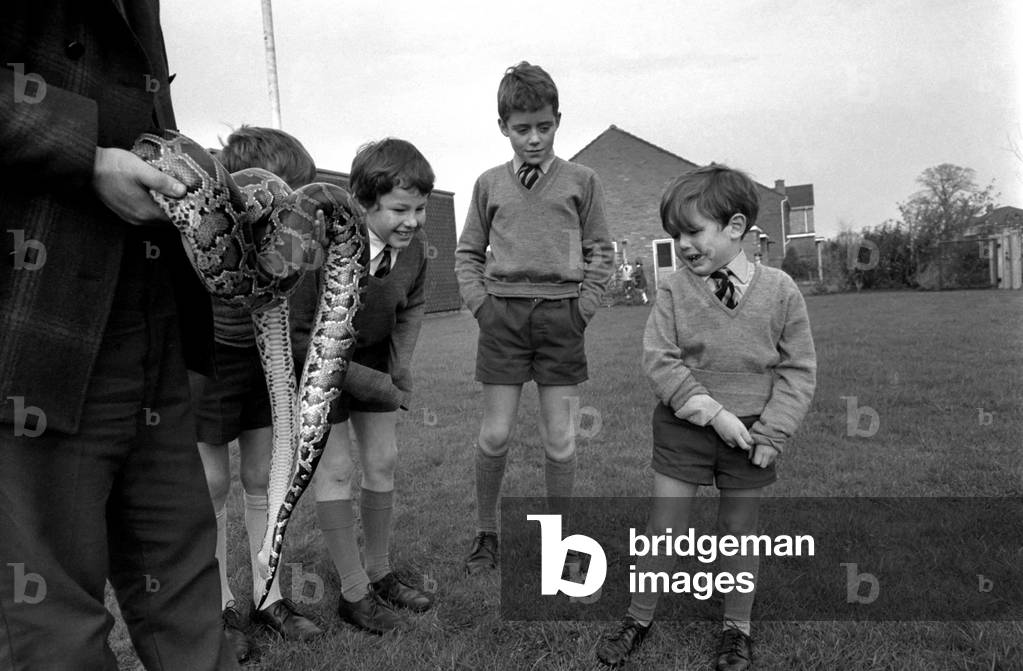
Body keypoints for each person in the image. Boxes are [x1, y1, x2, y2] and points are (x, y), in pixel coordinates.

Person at [0, 4, 238, 669]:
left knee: (188, 592)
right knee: (52, 626)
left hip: (148, 308)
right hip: (37, 318)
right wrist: (89, 159)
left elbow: (143, 116)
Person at [596, 165, 816, 671]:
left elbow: (799, 369)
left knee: (740, 531)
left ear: (735, 227)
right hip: (684, 428)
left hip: (753, 436)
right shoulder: (673, 290)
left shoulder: (781, 291)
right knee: (665, 528)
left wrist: (772, 433)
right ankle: (638, 617)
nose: (683, 244)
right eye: (676, 234)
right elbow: (660, 360)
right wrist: (714, 415)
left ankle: (736, 630)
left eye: (693, 231)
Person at [454, 61, 613, 575]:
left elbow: (600, 251)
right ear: (503, 126)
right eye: (522, 128)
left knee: (560, 439)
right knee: (495, 434)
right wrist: (482, 306)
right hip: (502, 319)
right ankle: (486, 533)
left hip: (562, 320)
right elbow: (468, 254)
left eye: (544, 126)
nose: (534, 138)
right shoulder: (487, 185)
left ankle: (560, 544)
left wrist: (583, 309)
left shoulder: (582, 182)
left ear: (558, 120)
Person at [188, 126, 325, 660]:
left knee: (264, 477)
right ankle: (219, 605)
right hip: (211, 360)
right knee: (213, 483)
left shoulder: (285, 247)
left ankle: (269, 598)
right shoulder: (210, 223)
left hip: (261, 358)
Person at [308, 138, 435, 634]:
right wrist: (380, 385)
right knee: (336, 471)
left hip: (374, 359)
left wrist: (400, 366)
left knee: (382, 462)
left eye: (421, 209)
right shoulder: (325, 244)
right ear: (364, 203)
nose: (413, 221)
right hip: (321, 364)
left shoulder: (416, 251)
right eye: (400, 209)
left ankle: (379, 573)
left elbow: (415, 304)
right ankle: (353, 593)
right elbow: (304, 338)